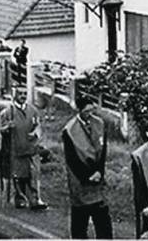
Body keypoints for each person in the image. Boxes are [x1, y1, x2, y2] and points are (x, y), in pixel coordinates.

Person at [62, 96, 112, 239]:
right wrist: (88, 176)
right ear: (79, 110)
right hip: (80, 179)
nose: (90, 113)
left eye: (92, 110)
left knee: (103, 221)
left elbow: (103, 150)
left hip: (98, 179)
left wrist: (99, 172)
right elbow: (71, 159)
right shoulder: (70, 130)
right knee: (80, 222)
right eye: (87, 111)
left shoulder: (99, 123)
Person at [0, 85, 47, 210]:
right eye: (20, 93)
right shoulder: (8, 112)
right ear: (14, 94)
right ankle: (19, 199)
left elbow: (38, 125)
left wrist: (36, 132)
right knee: (18, 175)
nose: (22, 96)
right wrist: (7, 127)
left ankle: (36, 199)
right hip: (16, 148)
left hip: (31, 148)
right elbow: (1, 129)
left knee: (34, 174)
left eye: (25, 94)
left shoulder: (33, 110)